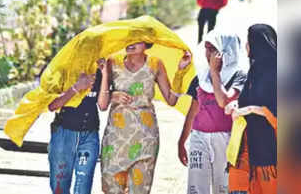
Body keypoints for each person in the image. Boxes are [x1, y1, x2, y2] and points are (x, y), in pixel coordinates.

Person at [101, 42, 192, 194]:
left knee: (140, 190)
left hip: (145, 138)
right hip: (116, 138)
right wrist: (112, 95)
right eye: (129, 39)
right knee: (111, 188)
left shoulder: (155, 64)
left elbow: (171, 99)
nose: (130, 43)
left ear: (147, 44)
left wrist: (180, 72)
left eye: (137, 40)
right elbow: (102, 102)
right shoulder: (112, 62)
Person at [178, 30, 248, 194]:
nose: (208, 53)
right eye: (206, 48)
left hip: (226, 140)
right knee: (196, 188)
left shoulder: (239, 76)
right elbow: (193, 111)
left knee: (223, 187)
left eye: (213, 49)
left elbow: (224, 101)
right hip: (199, 138)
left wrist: (215, 73)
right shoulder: (200, 77)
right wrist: (182, 141)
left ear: (227, 51)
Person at [226, 24, 277, 194]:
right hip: (250, 146)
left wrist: (252, 109)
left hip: (271, 154)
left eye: (249, 42)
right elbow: (247, 101)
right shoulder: (254, 71)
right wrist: (236, 105)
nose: (246, 47)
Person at [47, 59, 110, 194]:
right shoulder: (64, 68)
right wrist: (76, 87)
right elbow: (52, 105)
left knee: (84, 184)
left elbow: (103, 106)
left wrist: (105, 74)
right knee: (59, 186)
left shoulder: (100, 70)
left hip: (89, 135)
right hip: (64, 134)